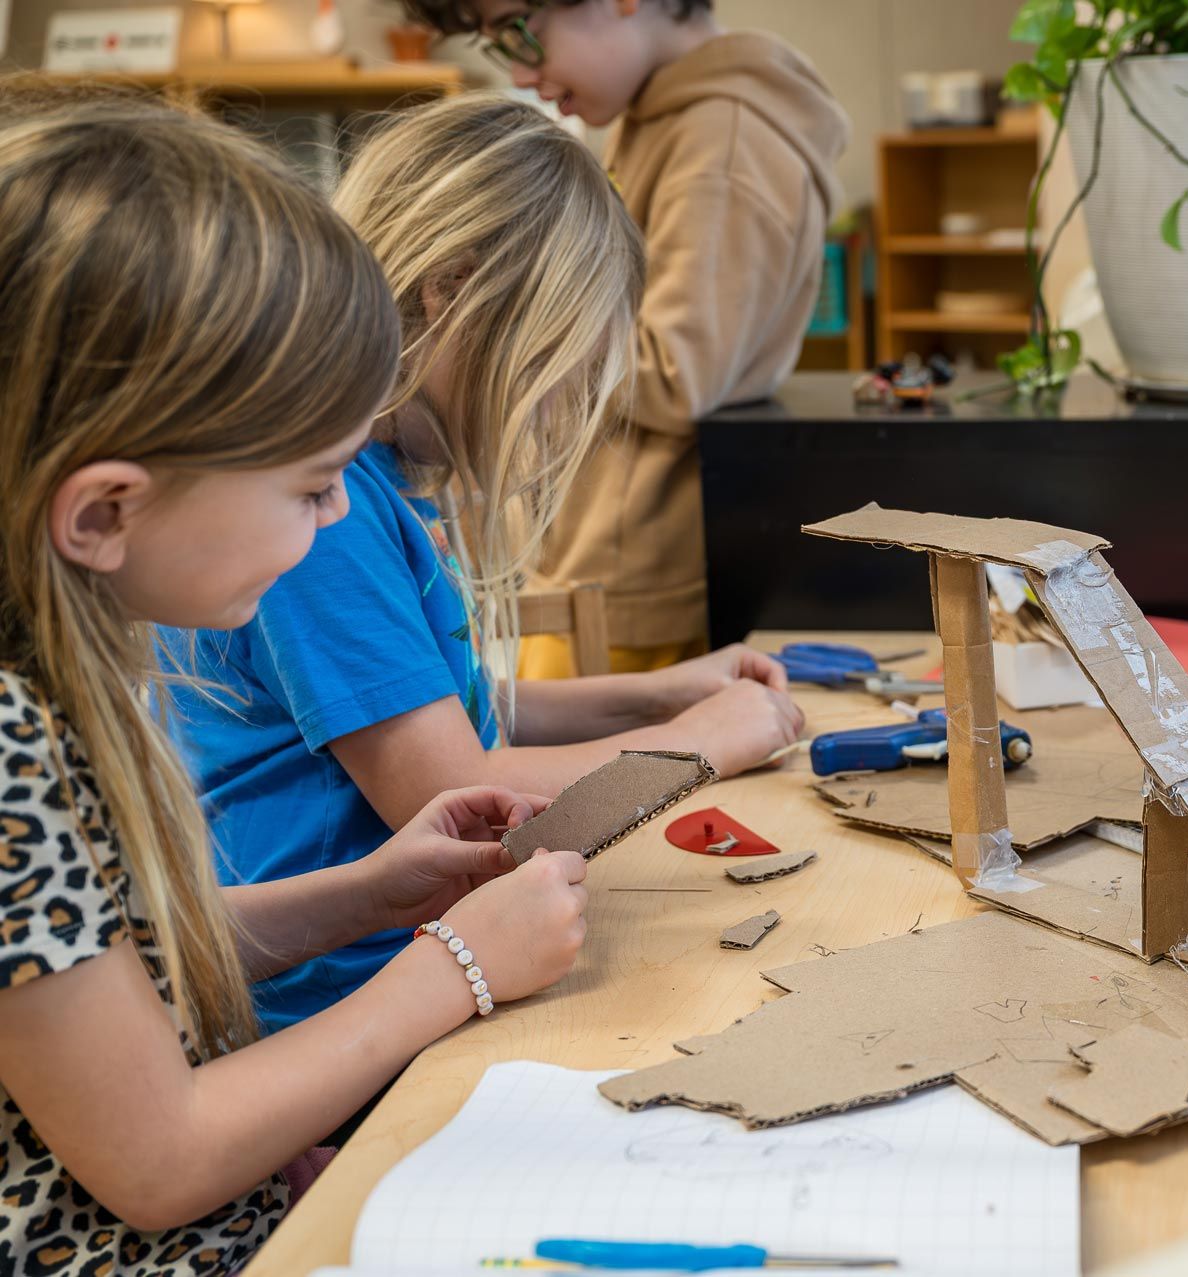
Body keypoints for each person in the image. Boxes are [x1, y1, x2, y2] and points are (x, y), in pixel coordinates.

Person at [0, 94, 587, 1270]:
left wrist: (370, 890)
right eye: (312, 485)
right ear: (107, 511)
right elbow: (159, 1160)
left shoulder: (72, 667)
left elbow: (110, 969)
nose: (334, 518)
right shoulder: (9, 739)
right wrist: (456, 966)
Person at [165, 94, 803, 1036]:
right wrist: (699, 743)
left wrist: (659, 694)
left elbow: (438, 703)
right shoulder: (325, 514)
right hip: (343, 996)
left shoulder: (382, 485)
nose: (565, 406)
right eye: (560, 364)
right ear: (451, 290)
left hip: (415, 956)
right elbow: (454, 793)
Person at [399, 0, 849, 676]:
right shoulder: (663, 115)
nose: (523, 71)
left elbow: (675, 369)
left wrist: (501, 332)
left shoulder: (724, 139)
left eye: (520, 31)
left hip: (630, 569)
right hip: (597, 552)